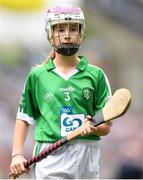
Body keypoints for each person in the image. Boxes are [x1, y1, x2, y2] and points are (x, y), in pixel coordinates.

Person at [10, 5, 112, 179]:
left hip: (87, 156)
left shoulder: (96, 75)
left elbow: (106, 126)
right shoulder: (38, 76)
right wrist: (17, 154)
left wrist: (93, 127)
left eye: (73, 29)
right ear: (50, 32)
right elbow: (24, 117)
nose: (67, 34)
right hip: (51, 155)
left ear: (81, 32)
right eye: (60, 29)